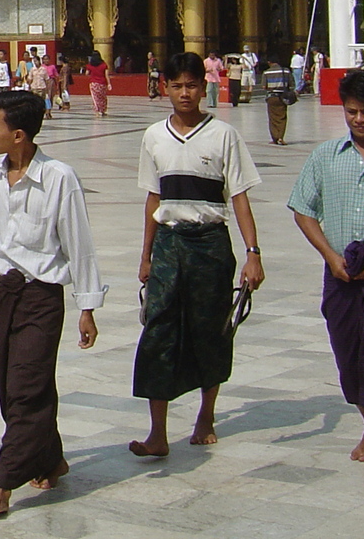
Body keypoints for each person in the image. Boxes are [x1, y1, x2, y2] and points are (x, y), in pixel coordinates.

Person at [0, 90, 104, 515]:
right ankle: (50, 459)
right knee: (10, 382)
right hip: (5, 293)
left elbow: (80, 245)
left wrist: (87, 308)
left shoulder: (60, 178)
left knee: (28, 385)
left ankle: (4, 484)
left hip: (42, 295)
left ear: (18, 134)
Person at [129, 52, 264, 458]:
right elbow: (153, 197)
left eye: (191, 85)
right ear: (164, 88)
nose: (185, 93)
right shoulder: (154, 136)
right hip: (170, 241)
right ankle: (158, 432)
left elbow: (238, 196)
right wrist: (146, 254)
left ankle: (206, 415)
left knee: (212, 328)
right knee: (158, 329)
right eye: (177, 85)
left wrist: (252, 252)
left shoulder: (223, 135)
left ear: (202, 87)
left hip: (210, 243)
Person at [288, 68, 364, 500]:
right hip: (340, 272)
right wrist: (329, 256)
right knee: (349, 360)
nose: (359, 120)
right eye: (352, 112)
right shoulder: (327, 155)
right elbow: (304, 210)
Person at [264, 60, 296, 145]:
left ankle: (275, 138)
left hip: (272, 97)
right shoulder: (286, 71)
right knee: (282, 117)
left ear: (269, 62)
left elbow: (264, 86)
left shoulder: (266, 72)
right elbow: (291, 83)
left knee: (273, 118)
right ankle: (281, 137)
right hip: (282, 97)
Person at [88, 50, 110, 117]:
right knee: (103, 97)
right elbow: (106, 75)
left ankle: (97, 111)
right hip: (102, 83)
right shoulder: (104, 65)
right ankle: (102, 110)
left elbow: (87, 73)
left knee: (95, 98)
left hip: (93, 83)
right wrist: (109, 83)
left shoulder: (90, 65)